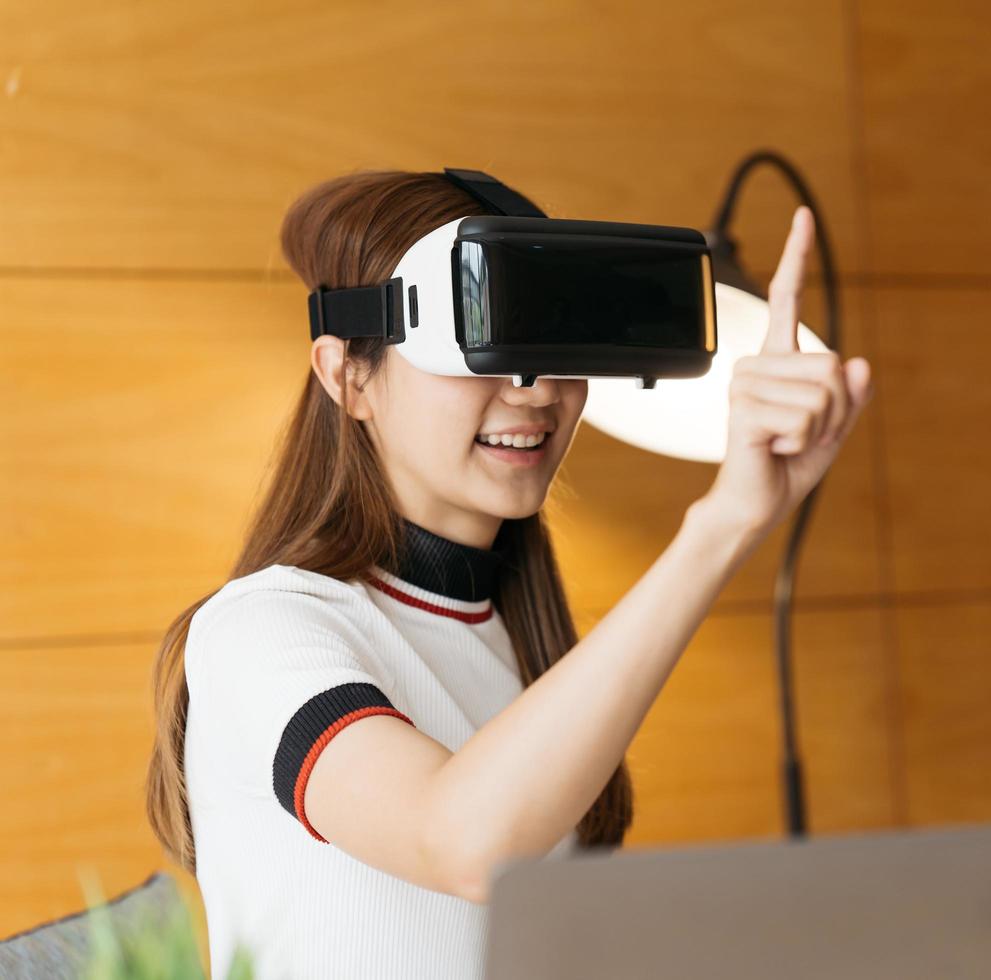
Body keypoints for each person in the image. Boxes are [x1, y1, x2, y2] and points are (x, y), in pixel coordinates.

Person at [142, 168, 874, 980]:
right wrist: (722, 525)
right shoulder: (263, 630)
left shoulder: (529, 647)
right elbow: (460, 842)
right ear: (349, 374)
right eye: (481, 343)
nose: (533, 390)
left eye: (554, 347)